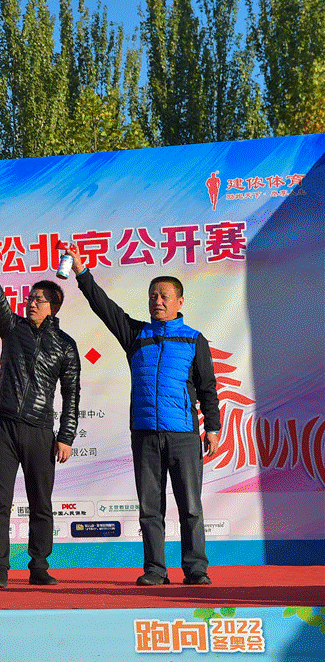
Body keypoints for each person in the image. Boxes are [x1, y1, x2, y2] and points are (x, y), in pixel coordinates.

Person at [65, 246, 220, 586]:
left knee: (190, 507)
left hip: (183, 435)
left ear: (179, 301)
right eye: (152, 296)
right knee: (150, 508)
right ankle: (155, 569)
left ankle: (196, 568)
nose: (157, 301)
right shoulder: (136, 336)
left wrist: (212, 428)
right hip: (145, 434)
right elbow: (104, 307)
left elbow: (208, 387)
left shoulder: (194, 340)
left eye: (164, 296)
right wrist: (81, 271)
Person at [0, 226, 81, 589]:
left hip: (39, 430)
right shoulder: (12, 328)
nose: (31, 303)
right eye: (30, 298)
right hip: (2, 426)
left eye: (39, 300)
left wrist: (66, 436)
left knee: (41, 504)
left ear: (54, 308)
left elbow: (72, 394)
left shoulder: (65, 345)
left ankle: (39, 566)